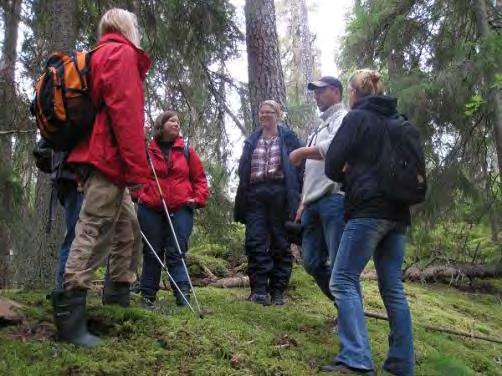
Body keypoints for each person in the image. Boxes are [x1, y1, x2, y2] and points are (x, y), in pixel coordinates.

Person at [50, 8, 151, 348]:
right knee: (92, 230)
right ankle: (70, 319)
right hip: (108, 159)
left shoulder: (96, 54)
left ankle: (117, 299)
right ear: (127, 27)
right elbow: (126, 116)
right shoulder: (120, 54)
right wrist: (138, 173)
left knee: (128, 228)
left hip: (103, 157)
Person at [321, 69, 414, 375]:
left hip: (368, 210)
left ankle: (356, 359)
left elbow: (332, 163)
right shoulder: (399, 122)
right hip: (398, 214)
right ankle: (401, 364)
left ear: (354, 93)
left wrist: (347, 171)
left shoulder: (357, 119)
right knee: (393, 289)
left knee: (342, 279)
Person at [136, 111, 208, 308]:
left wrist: (198, 198)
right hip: (151, 207)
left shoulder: (186, 151)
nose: (176, 124)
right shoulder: (148, 150)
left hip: (181, 207)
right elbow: (136, 173)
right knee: (152, 251)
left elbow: (200, 179)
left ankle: (182, 294)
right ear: (162, 124)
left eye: (178, 121)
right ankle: (148, 295)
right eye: (172, 120)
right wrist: (141, 194)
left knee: (176, 250)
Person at [234, 100, 303, 306]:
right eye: (261, 111)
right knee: (255, 242)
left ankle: (278, 291)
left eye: (269, 112)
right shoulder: (252, 139)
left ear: (278, 114)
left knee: (280, 243)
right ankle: (259, 291)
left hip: (280, 194)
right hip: (255, 194)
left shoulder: (289, 137)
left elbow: (299, 167)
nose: (264, 115)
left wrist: (298, 197)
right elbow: (243, 169)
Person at [288, 76, 347, 301]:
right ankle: (347, 305)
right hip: (312, 203)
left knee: (340, 266)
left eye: (321, 91)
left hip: (334, 200)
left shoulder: (343, 118)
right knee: (311, 262)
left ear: (336, 91)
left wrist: (302, 152)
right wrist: (303, 201)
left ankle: (347, 316)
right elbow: (311, 171)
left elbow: (335, 147)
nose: (316, 96)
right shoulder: (320, 125)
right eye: (314, 92)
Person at [33, 141, 84, 289]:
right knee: (75, 237)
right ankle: (65, 291)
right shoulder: (74, 119)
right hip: (73, 178)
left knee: (75, 235)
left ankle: (66, 289)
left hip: (66, 178)